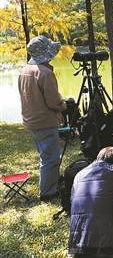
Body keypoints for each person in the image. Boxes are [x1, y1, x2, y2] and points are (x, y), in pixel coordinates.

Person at [18, 35, 66, 201]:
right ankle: (48, 193)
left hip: (31, 121)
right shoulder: (44, 73)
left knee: (45, 155)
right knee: (51, 158)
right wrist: (64, 105)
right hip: (44, 121)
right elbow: (53, 102)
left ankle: (52, 182)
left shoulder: (24, 71)